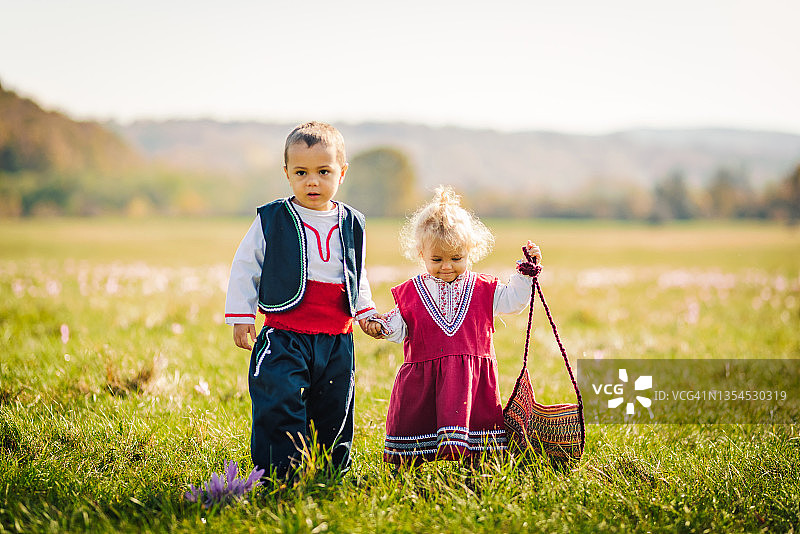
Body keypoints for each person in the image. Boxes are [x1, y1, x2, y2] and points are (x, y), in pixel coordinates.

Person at [225, 121, 379, 479]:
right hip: (285, 333)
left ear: (341, 173)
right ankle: (281, 473)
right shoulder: (273, 218)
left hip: (336, 338)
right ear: (287, 174)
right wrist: (242, 314)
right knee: (279, 398)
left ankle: (328, 471)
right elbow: (246, 265)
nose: (312, 181)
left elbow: (357, 273)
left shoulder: (351, 222)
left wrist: (365, 312)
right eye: (301, 172)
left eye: (323, 172)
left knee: (334, 407)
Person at [368, 186, 541, 466]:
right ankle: (411, 470)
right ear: (421, 253)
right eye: (437, 259)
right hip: (424, 384)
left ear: (470, 252)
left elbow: (514, 301)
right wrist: (381, 327)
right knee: (416, 440)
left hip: (472, 386)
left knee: (477, 448)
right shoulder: (412, 291)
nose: (447, 266)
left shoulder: (484, 288)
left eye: (456, 258)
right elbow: (399, 325)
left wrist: (525, 274)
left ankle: (476, 471)